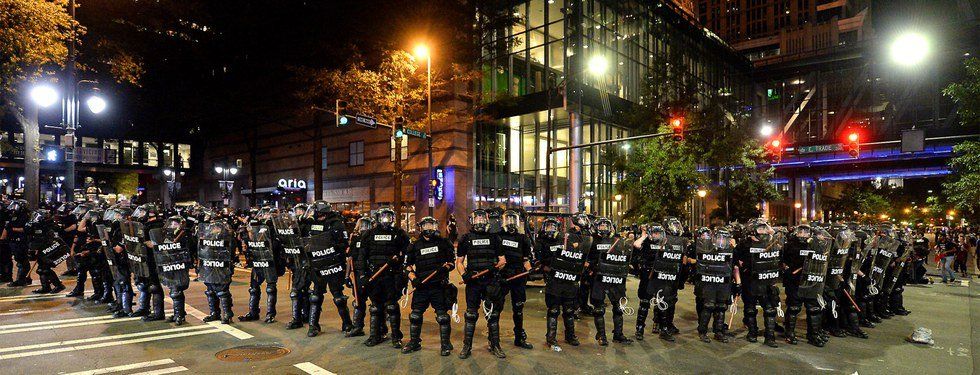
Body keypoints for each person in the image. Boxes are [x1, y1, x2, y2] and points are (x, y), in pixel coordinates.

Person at [455, 209, 506, 359]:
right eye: (477, 219)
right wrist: (465, 275)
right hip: (474, 282)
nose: (480, 222)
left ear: (487, 220)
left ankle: (495, 345)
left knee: (493, 315)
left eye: (482, 219)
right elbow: (459, 262)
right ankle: (466, 346)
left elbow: (503, 260)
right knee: (471, 315)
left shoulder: (494, 238)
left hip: (491, 281)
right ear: (472, 221)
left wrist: (495, 267)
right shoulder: (466, 239)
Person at [402, 216, 455, 356]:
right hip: (422, 287)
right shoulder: (414, 245)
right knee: (415, 316)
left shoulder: (444, 243)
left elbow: (452, 262)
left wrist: (446, 268)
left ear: (436, 227)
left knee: (443, 317)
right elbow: (406, 266)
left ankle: (445, 345)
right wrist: (413, 279)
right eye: (425, 226)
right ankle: (414, 342)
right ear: (421, 227)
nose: (428, 229)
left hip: (439, 286)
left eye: (431, 225)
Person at [359, 207, 410, 348]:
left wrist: (403, 272)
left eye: (389, 216)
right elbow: (362, 257)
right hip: (374, 275)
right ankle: (376, 335)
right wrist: (362, 274)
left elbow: (408, 254)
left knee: (392, 306)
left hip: (392, 275)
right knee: (376, 307)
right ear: (377, 218)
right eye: (383, 216)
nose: (386, 219)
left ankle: (396, 337)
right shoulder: (368, 234)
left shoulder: (399, 234)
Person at [537, 214, 590, 348]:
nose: (550, 229)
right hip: (553, 279)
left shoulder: (565, 238)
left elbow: (577, 250)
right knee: (554, 310)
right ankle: (551, 337)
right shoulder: (541, 242)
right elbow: (539, 262)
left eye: (553, 226)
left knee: (569, 309)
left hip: (568, 278)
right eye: (548, 226)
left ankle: (570, 336)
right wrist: (548, 269)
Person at [303, 201, 352, 337]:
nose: (312, 213)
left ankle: (347, 324)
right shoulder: (311, 223)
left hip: (332, 264)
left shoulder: (335, 223)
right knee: (316, 296)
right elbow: (304, 239)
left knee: (338, 296)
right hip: (317, 263)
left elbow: (343, 244)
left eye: (314, 210)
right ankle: (313, 325)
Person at [737, 220, 783, 347]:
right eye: (760, 229)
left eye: (765, 229)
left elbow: (777, 235)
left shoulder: (771, 242)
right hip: (751, 282)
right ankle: (752, 333)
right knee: (750, 310)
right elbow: (737, 262)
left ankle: (770, 337)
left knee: (769, 310)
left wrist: (767, 226)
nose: (764, 231)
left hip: (767, 282)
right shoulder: (744, 245)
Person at [588, 217, 633, 346]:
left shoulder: (617, 240)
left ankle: (618, 334)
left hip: (615, 278)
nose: (603, 228)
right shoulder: (592, 240)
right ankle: (601, 335)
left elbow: (624, 256)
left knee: (619, 307)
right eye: (600, 226)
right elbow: (587, 259)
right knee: (598, 309)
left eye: (605, 226)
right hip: (598, 278)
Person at [691, 228, 738, 343]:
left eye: (724, 238)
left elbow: (735, 267)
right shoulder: (707, 248)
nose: (722, 241)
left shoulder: (731, 250)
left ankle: (718, 332)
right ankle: (702, 331)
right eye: (719, 238)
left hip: (723, 283)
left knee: (721, 307)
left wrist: (738, 282)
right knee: (708, 306)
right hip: (710, 282)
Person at [496, 210, 535, 350]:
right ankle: (493, 340)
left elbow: (526, 259)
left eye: (514, 220)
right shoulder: (497, 237)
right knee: (496, 309)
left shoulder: (523, 238)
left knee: (518, 309)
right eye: (508, 220)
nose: (511, 223)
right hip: (502, 277)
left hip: (518, 277)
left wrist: (530, 269)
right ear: (503, 221)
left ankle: (519, 338)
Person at [239, 209, 284, 324]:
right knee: (253, 288)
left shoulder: (278, 227)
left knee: (270, 288)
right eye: (265, 214)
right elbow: (248, 240)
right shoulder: (259, 227)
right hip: (258, 260)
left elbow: (277, 245)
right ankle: (253, 313)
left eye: (269, 214)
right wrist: (248, 231)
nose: (266, 216)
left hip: (270, 262)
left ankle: (270, 314)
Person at [148, 216, 193, 325]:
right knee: (174, 290)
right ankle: (178, 313)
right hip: (169, 266)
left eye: (176, 224)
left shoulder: (185, 236)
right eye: (171, 224)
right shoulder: (167, 236)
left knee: (176, 291)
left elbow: (188, 250)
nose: (173, 226)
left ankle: (179, 316)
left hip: (179, 266)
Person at [276, 204, 311, 330]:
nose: (299, 213)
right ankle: (305, 315)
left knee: (297, 291)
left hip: (305, 261)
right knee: (302, 290)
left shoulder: (308, 224)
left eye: (301, 210)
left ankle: (298, 319)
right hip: (295, 261)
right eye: (297, 211)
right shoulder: (292, 225)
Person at [198, 216, 237, 324]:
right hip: (209, 265)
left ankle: (227, 314)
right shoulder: (208, 237)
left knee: (222, 291)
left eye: (215, 226)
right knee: (210, 291)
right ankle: (214, 313)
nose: (212, 228)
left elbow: (230, 252)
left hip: (222, 267)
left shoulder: (227, 237)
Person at [346, 216, 375, 337]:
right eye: (362, 225)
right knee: (358, 301)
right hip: (358, 273)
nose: (364, 228)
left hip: (373, 273)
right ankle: (357, 327)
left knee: (377, 303)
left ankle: (378, 330)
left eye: (366, 225)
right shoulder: (355, 239)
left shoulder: (374, 238)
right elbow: (350, 258)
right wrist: (347, 275)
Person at [5, 199, 32, 287]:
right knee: (19, 260)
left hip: (21, 241)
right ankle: (22, 279)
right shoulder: (14, 215)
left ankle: (21, 280)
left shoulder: (26, 216)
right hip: (13, 240)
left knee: (22, 261)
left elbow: (26, 229)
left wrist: (13, 229)